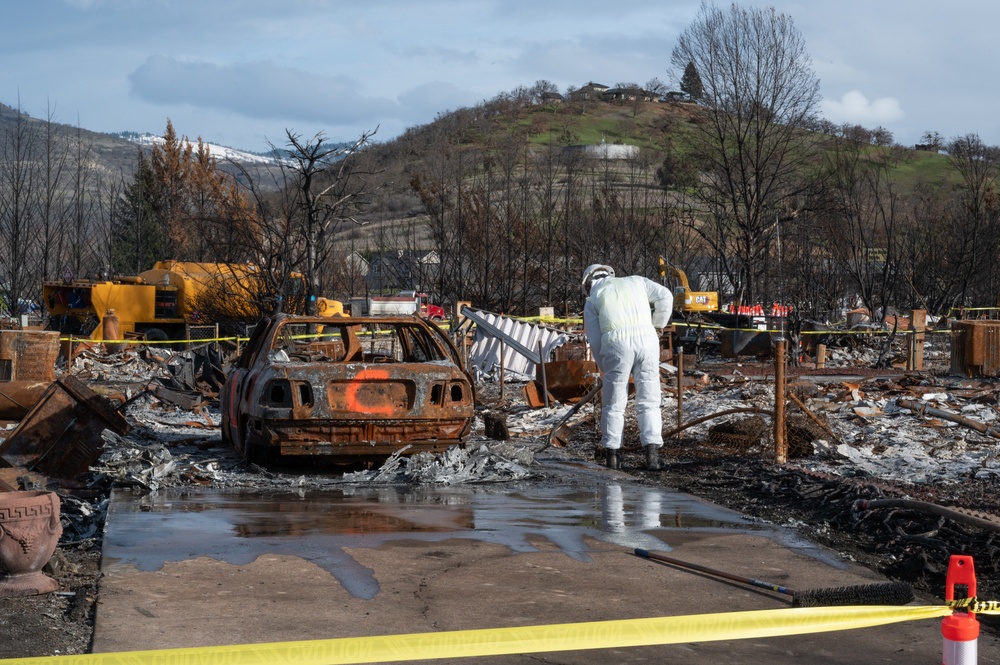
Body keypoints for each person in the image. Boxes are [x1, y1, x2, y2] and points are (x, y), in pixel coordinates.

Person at [582, 264, 673, 470]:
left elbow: (595, 341)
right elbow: (665, 296)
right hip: (648, 342)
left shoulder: (593, 299)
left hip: (616, 345)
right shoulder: (637, 281)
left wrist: (604, 366)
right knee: (649, 400)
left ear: (589, 282)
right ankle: (652, 456)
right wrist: (657, 325)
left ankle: (613, 457)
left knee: (613, 404)